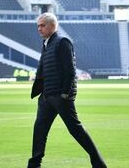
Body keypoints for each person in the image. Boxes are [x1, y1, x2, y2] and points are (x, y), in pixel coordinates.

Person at [27, 13, 107, 168]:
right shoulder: (47, 44)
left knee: (75, 129)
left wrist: (64, 94)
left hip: (60, 96)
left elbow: (70, 71)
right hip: (46, 97)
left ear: (52, 26)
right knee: (39, 130)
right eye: (38, 25)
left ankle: (98, 163)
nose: (39, 29)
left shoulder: (62, 42)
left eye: (42, 25)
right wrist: (41, 93)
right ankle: (34, 165)